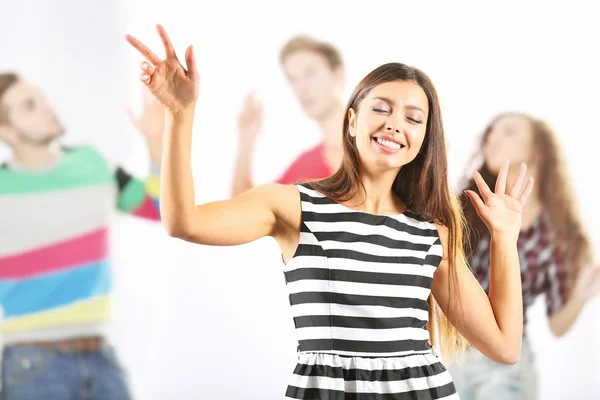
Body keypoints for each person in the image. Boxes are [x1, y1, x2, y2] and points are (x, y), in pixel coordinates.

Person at [126, 25, 535, 399]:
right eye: (382, 108)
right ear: (352, 121)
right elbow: (185, 223)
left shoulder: (430, 234)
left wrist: (504, 239)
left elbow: (504, 347)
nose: (395, 124)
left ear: (423, 140)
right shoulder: (294, 206)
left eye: (413, 118)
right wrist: (180, 114)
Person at [0, 73, 164, 399]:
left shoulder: (94, 163)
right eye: (29, 106)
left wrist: (156, 146)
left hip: (103, 359)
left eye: (42, 97)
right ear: (5, 131)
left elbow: (158, 209)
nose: (47, 107)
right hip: (29, 364)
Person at [448, 113, 600, 400]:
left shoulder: (558, 235)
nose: (492, 138)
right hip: (452, 353)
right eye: (491, 132)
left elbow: (557, 326)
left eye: (509, 132)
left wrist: (579, 296)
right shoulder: (468, 205)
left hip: (505, 369)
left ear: (537, 150)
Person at [231, 35, 346, 196]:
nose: (302, 87)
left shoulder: (379, 138)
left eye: (310, 73)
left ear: (337, 74)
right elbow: (243, 208)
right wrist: (246, 139)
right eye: (293, 80)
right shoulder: (304, 168)